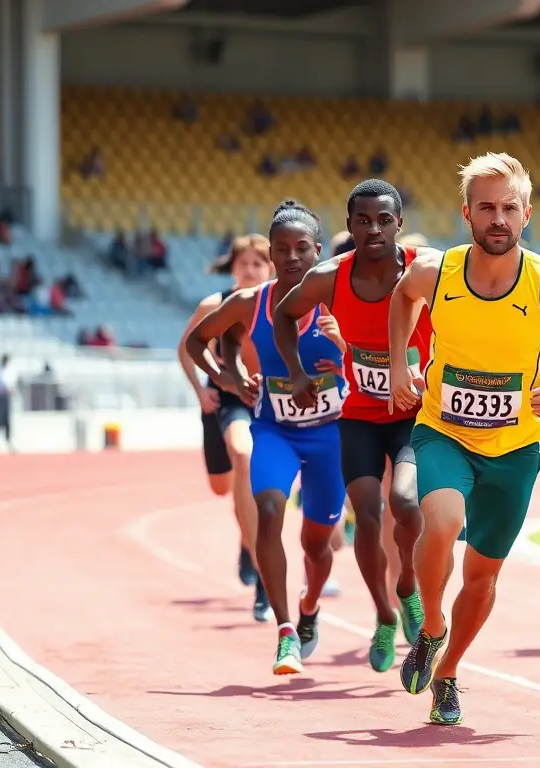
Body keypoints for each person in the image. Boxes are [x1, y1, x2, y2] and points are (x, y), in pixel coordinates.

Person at [388, 152, 540, 725]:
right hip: (444, 430)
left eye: (508, 208)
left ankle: (449, 671)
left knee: (483, 576)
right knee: (439, 521)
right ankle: (431, 626)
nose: (497, 218)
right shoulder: (436, 271)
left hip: (514, 449)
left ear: (527, 214)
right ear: (466, 213)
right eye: (486, 207)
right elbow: (401, 297)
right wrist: (399, 364)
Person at [272, 179, 433, 673]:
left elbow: (472, 308)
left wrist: (432, 372)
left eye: (384, 219)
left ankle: (407, 585)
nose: (374, 229)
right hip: (360, 418)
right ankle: (385, 615)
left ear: (399, 225)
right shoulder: (331, 278)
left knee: (405, 504)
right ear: (349, 226)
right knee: (366, 515)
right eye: (363, 220)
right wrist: (296, 371)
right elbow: (283, 314)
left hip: (412, 417)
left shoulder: (427, 272)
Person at [185, 200, 349, 676]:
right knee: (270, 510)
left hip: (329, 437)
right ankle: (285, 632)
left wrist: (345, 348)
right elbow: (200, 341)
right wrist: (230, 379)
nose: (293, 257)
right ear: (272, 255)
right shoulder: (248, 303)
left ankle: (310, 605)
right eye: (283, 249)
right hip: (274, 430)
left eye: (303, 248)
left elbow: (379, 352)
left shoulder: (339, 301)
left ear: (318, 251)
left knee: (318, 546)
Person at [177, 235, 273, 621]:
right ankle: (245, 536)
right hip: (223, 399)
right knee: (222, 485)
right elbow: (186, 347)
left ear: (270, 268)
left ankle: (264, 575)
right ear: (232, 267)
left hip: (262, 403)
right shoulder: (213, 306)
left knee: (245, 456)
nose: (249, 271)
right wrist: (201, 391)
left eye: (257, 264)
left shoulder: (278, 306)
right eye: (243, 264)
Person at [0, 354, 16, 453]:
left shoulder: (7, 370)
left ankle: (8, 442)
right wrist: (6, 388)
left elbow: (10, 381)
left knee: (7, 420)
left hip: (6, 397)